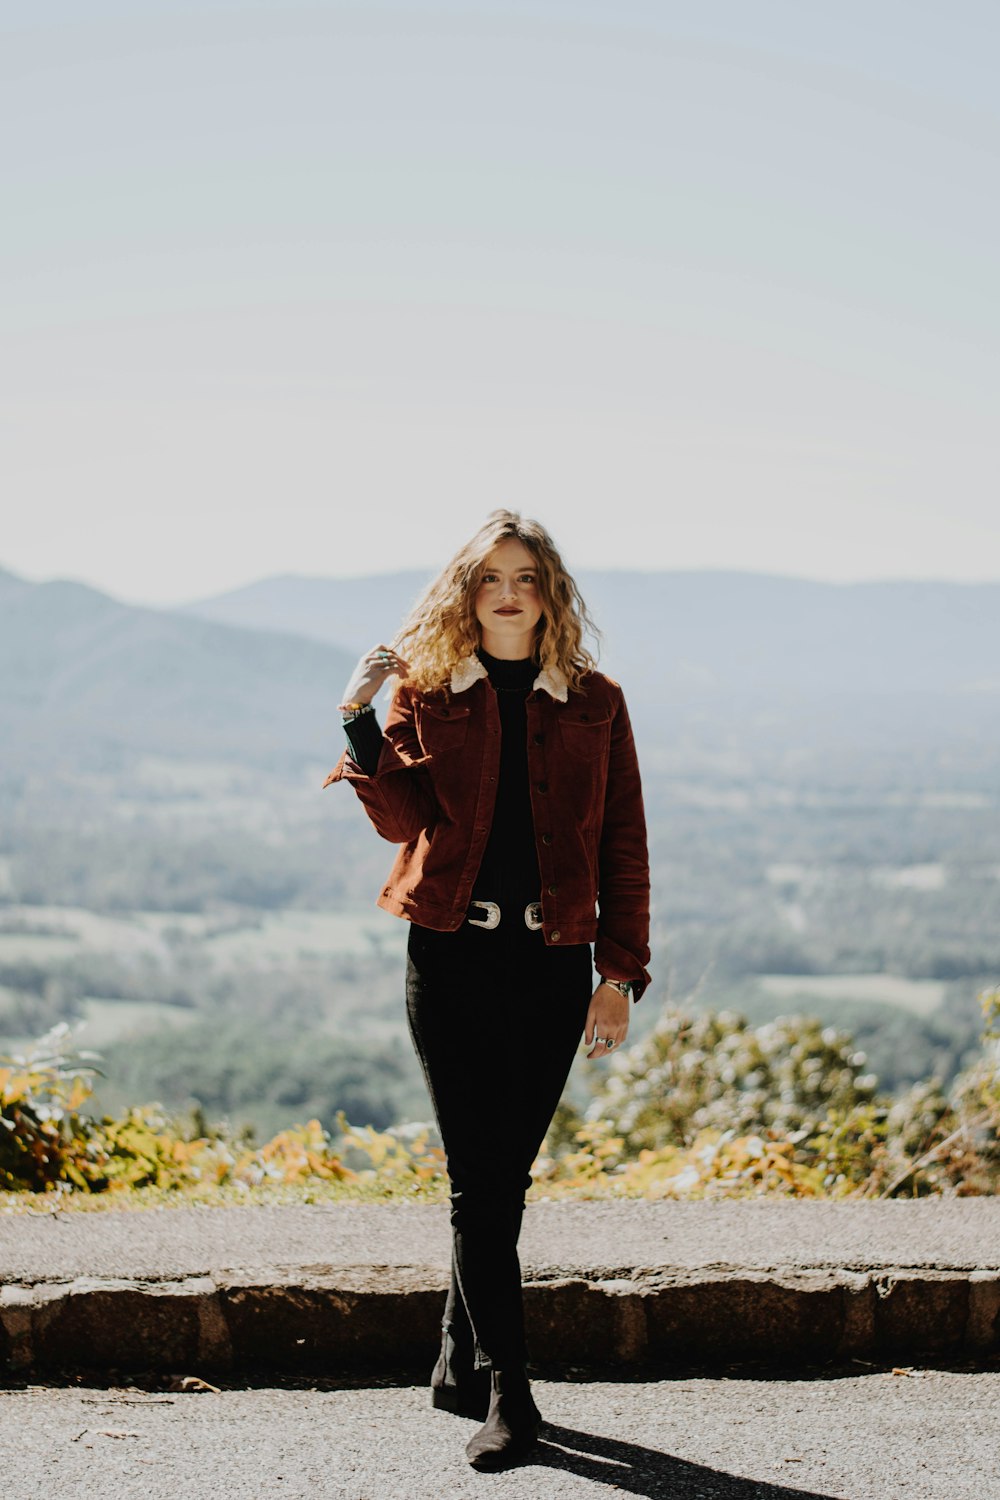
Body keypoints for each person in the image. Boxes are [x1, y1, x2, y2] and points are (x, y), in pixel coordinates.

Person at [321, 510, 651, 1471]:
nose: (509, 592)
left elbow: (623, 840)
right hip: (451, 962)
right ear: (467, 593)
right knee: (481, 1180)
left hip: (553, 965)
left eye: (528, 576)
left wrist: (619, 974)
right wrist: (356, 720)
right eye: (490, 577)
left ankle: (457, 1351)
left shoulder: (596, 700)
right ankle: (513, 1396)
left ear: (550, 592)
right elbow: (402, 822)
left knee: (504, 1174)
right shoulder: (427, 694)